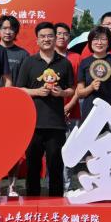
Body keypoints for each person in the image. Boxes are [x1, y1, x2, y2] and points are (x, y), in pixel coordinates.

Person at [15, 22, 75, 197]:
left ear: (55, 39)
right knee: (33, 166)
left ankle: (56, 203)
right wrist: (36, 92)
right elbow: (20, 89)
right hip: (33, 123)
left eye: (50, 36)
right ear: (37, 40)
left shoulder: (64, 63)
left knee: (55, 166)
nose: (46, 39)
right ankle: (31, 202)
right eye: (42, 36)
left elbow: (72, 89)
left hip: (56, 123)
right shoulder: (29, 62)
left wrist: (62, 93)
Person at [0, 14, 30, 194]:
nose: (8, 32)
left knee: (14, 148)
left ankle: (12, 186)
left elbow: (25, 81)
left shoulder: (22, 54)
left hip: (15, 107)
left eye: (11, 29)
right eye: (4, 28)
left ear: (16, 32)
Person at [55, 22, 82, 191]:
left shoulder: (76, 58)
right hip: (50, 113)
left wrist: (70, 105)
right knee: (52, 151)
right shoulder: (45, 57)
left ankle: (67, 186)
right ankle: (52, 186)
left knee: (70, 149)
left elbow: (80, 85)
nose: (61, 37)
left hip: (72, 111)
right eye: (58, 33)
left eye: (65, 34)